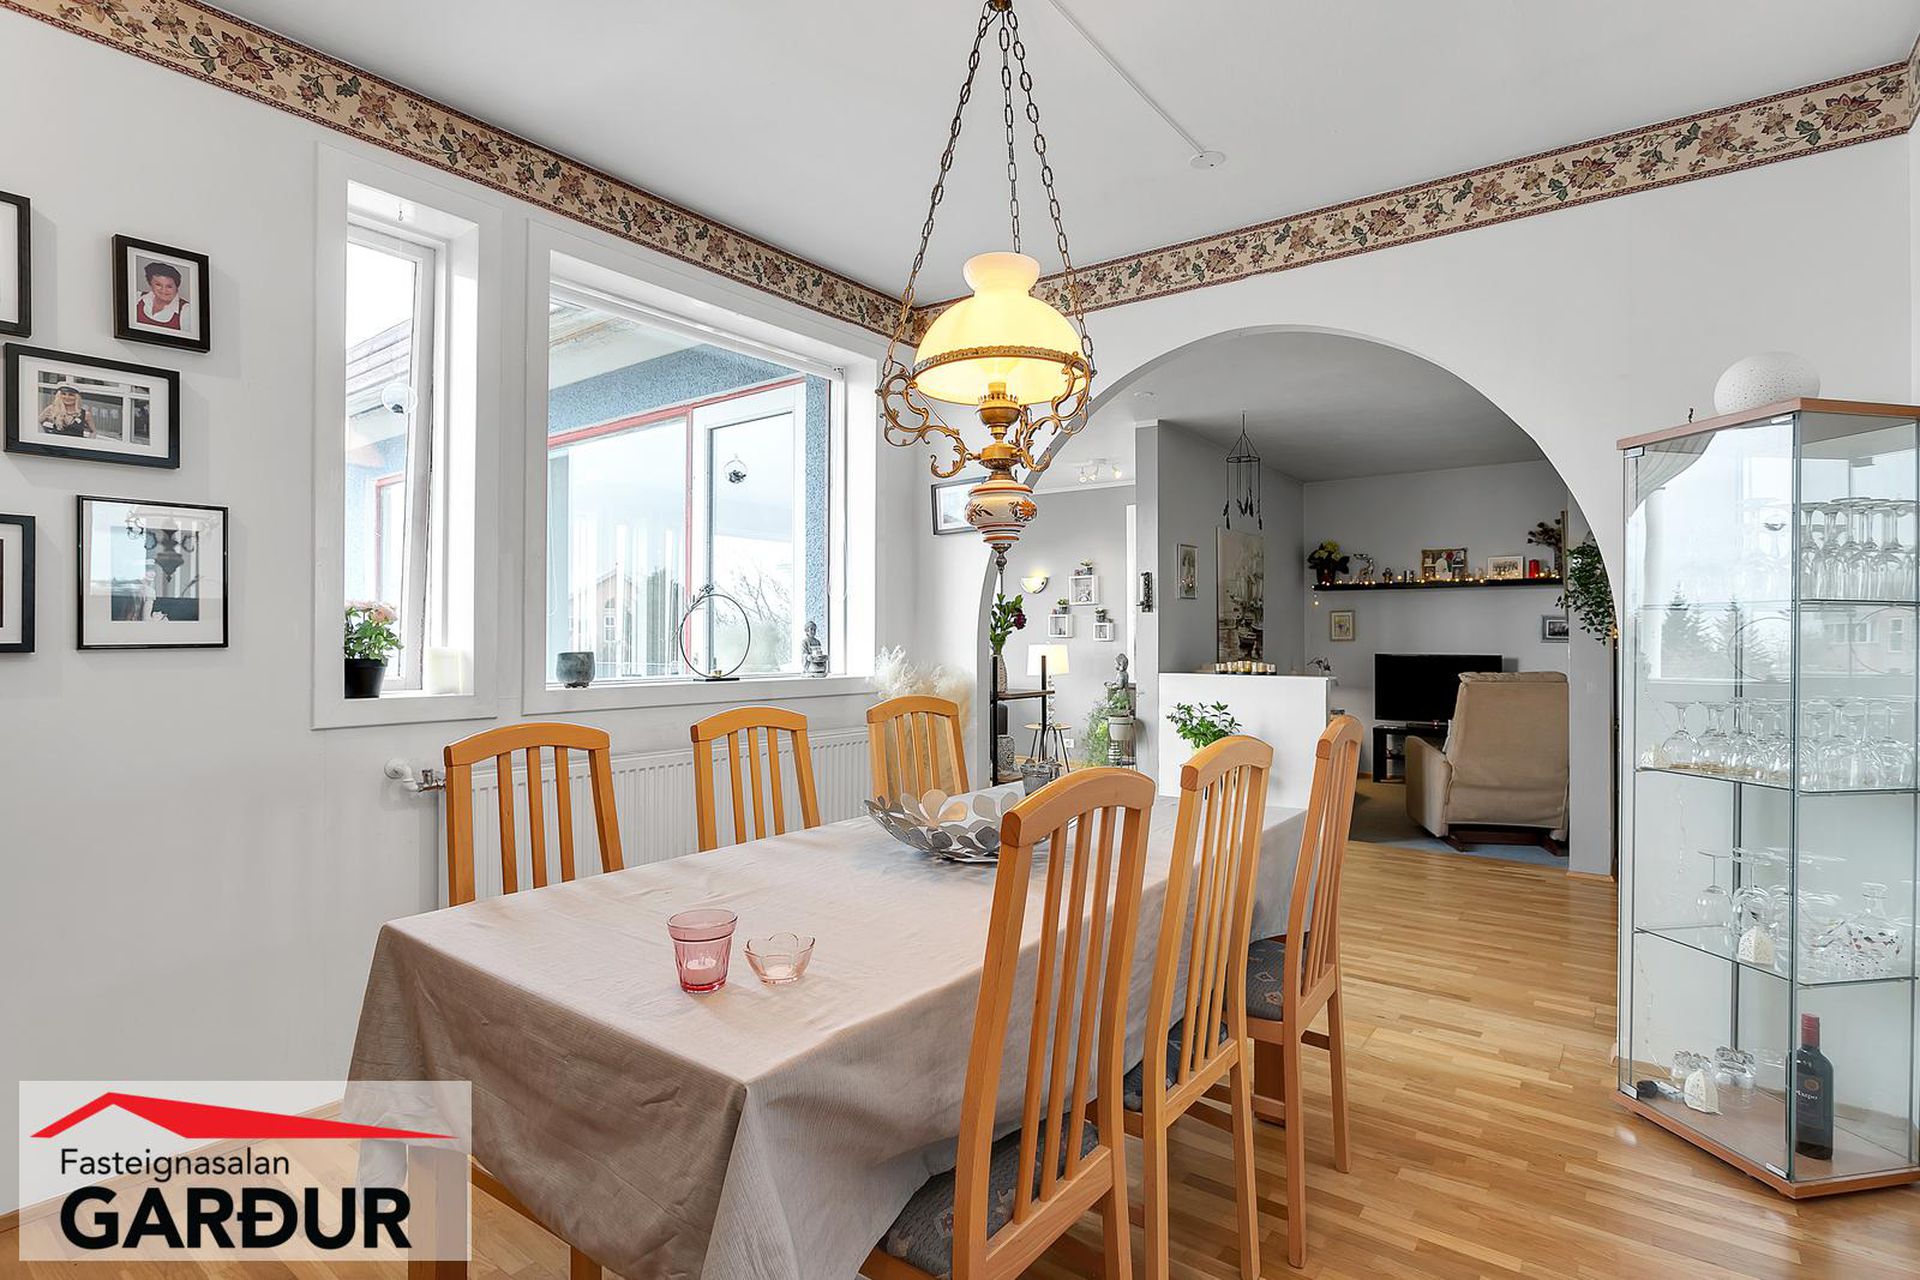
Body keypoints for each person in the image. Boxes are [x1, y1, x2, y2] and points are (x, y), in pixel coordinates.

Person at [132, 259, 193, 333]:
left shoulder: (186, 311)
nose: (163, 290)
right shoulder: (137, 297)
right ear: (150, 284)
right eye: (158, 284)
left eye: (169, 286)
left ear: (177, 287)